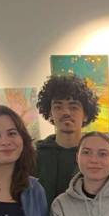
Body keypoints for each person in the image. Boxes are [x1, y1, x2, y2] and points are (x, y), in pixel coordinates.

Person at [35, 74, 100, 208]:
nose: (66, 112)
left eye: (73, 107)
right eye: (58, 107)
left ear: (86, 114)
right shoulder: (36, 156)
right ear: (50, 112)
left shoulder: (100, 154)